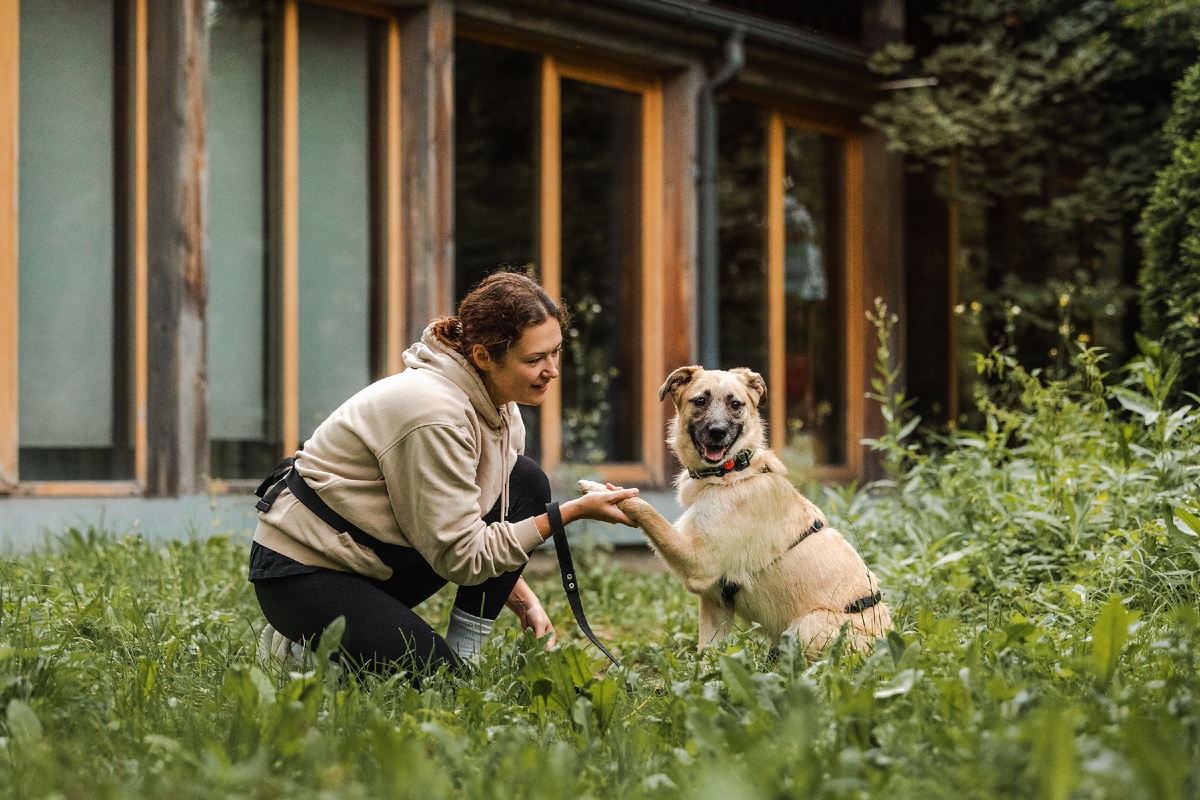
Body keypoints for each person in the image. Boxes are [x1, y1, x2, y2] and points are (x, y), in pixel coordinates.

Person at [250, 271, 639, 678]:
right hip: (304, 570)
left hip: (377, 559)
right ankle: (296, 645)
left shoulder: (501, 407)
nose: (552, 370)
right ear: (485, 356)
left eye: (556, 352)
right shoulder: (434, 415)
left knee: (524, 482)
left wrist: (523, 599)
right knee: (436, 683)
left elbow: (475, 522)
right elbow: (463, 557)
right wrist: (569, 514)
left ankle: (460, 657)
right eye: (534, 359)